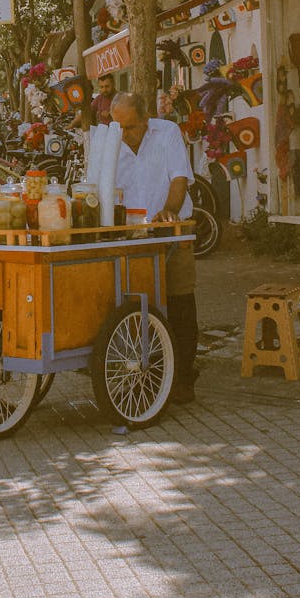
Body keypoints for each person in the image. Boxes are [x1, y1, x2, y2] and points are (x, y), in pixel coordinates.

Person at [111, 91, 198, 404]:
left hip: (170, 233)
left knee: (179, 304)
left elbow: (179, 179)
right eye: (118, 127)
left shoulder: (168, 133)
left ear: (146, 120)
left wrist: (168, 210)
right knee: (136, 310)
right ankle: (142, 377)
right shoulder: (110, 141)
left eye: (130, 127)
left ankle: (184, 377)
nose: (124, 135)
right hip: (132, 238)